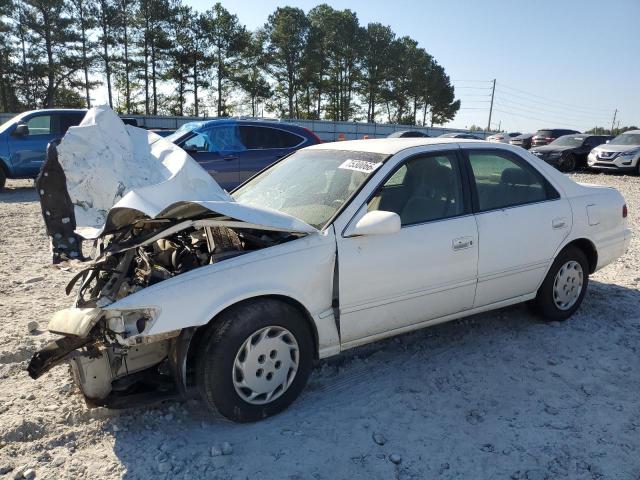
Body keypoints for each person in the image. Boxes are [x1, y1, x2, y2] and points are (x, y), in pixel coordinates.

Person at [35, 141, 84, 264]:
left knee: (61, 233)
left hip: (54, 212)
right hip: (59, 210)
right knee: (66, 232)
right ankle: (70, 255)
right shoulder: (61, 170)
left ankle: (64, 255)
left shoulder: (45, 173)